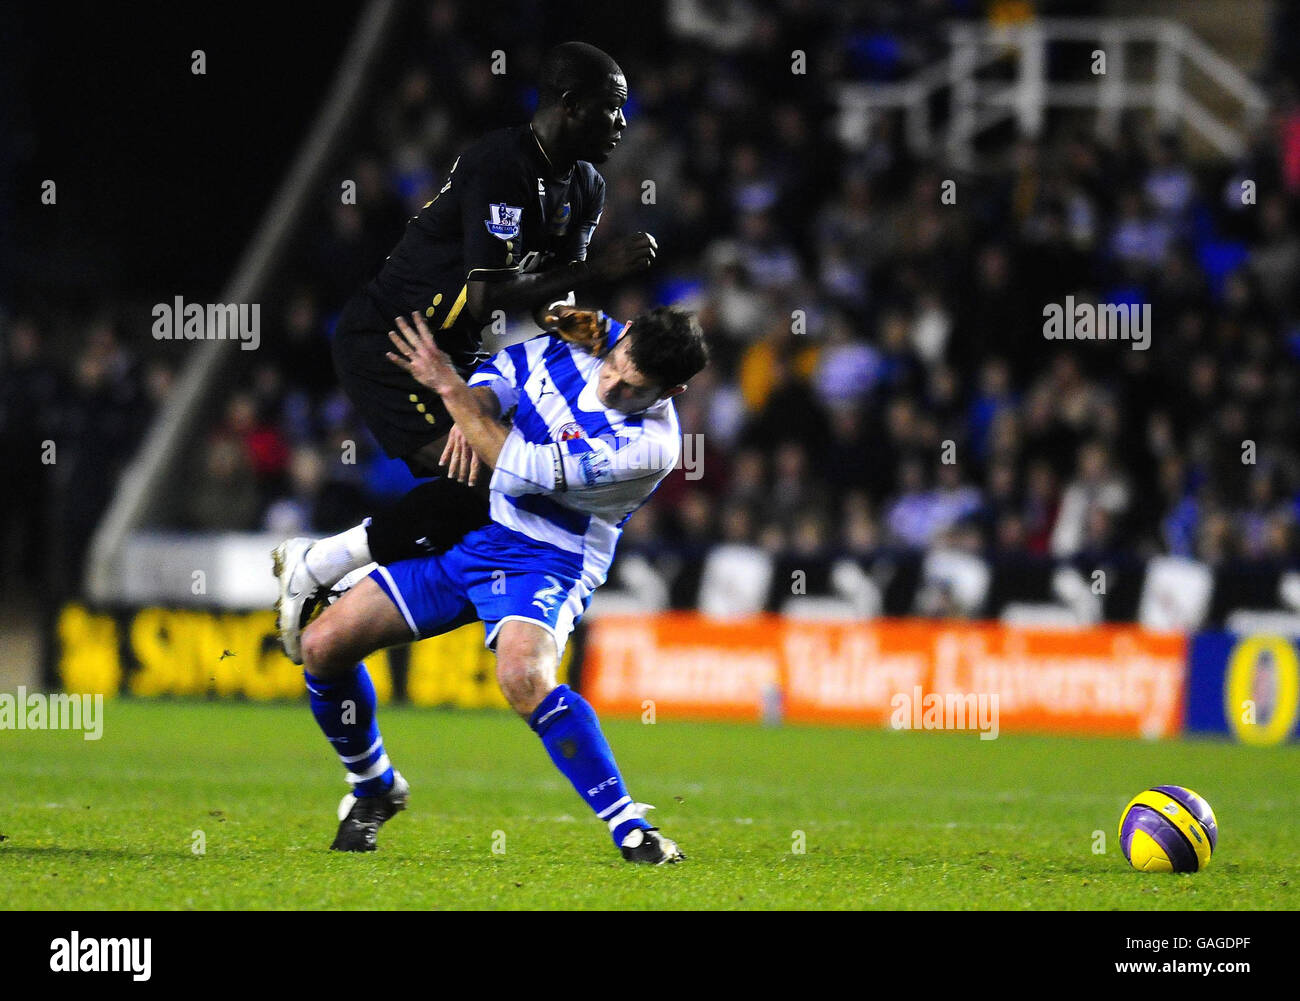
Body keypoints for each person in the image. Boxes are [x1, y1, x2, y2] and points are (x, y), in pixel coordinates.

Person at [273, 41, 658, 663]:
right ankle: (321, 564)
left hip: (456, 355)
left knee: (495, 487)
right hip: (392, 341)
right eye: (611, 109)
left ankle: (334, 574)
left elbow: (541, 304)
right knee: (487, 483)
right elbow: (485, 296)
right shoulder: (499, 163)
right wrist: (597, 266)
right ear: (569, 104)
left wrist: (589, 329)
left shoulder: (585, 186)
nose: (621, 123)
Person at [299, 304, 708, 862]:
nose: (611, 385)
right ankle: (374, 789)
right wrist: (480, 402)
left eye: (632, 388)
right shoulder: (595, 341)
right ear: (623, 338)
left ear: (672, 390)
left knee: (522, 676)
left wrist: (450, 388)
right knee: (321, 647)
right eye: (614, 365)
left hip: (551, 557)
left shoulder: (648, 447)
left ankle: (632, 828)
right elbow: (504, 371)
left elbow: (515, 468)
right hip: (481, 534)